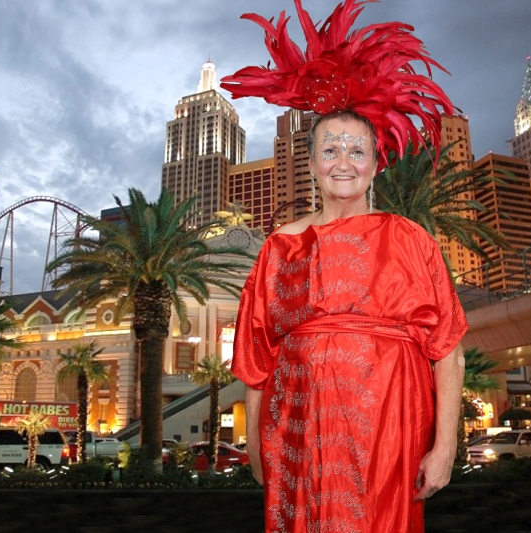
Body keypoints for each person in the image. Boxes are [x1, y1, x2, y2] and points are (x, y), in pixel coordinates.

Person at [222, 2, 466, 531]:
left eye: (357, 151)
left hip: (391, 425)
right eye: (330, 149)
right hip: (298, 427)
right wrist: (256, 447)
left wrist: (445, 446)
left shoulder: (411, 238)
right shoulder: (280, 246)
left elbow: (448, 351)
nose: (343, 161)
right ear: (311, 163)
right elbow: (257, 360)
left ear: (375, 164)